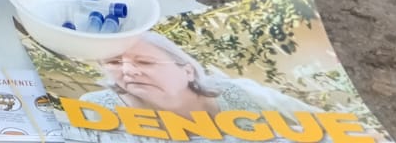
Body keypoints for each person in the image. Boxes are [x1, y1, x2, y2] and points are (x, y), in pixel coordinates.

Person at [72, 35, 325, 141]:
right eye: (114, 62)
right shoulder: (96, 107)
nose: (127, 70)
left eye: (145, 61)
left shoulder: (239, 94)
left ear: (187, 70)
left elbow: (327, 124)